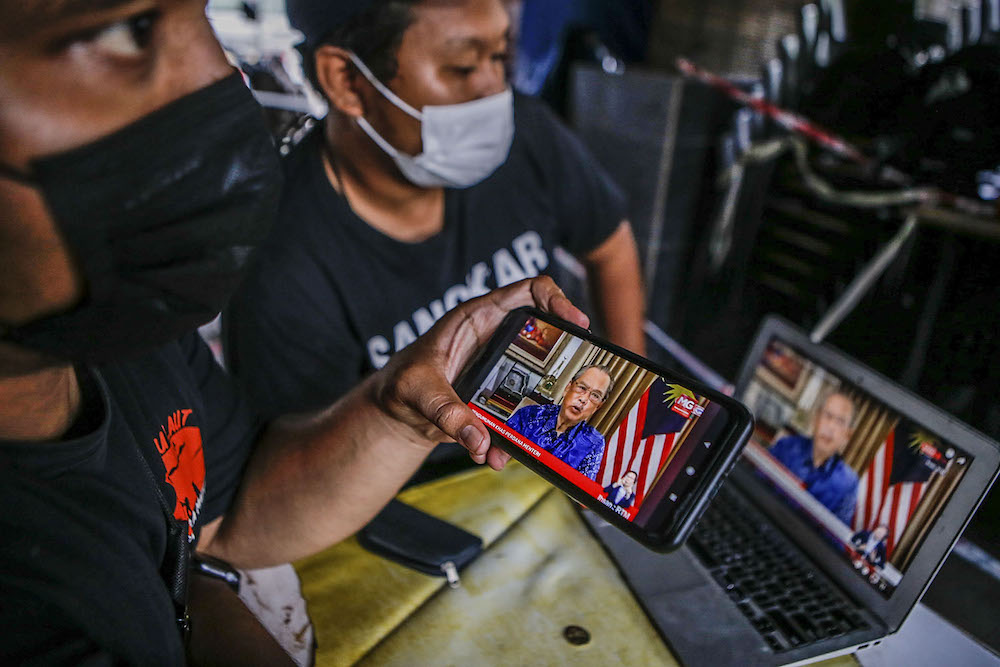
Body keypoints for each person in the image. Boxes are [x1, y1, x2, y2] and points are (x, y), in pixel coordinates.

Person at [0, 1, 587, 662]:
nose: (221, 82)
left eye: (202, 23)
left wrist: (398, 410)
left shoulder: (121, 332)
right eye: (125, 33)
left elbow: (233, 512)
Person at [224, 0, 646, 422]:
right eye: (462, 67)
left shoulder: (528, 134)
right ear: (348, 81)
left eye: (499, 56)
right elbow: (293, 466)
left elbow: (610, 247)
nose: (494, 88)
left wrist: (624, 407)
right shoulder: (280, 274)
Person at [769, 392, 860, 526]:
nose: (831, 427)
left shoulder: (849, 484)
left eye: (840, 422)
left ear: (848, 435)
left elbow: (834, 539)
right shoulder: (785, 446)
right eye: (828, 416)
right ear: (816, 419)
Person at [506, 365, 611, 479]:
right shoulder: (528, 415)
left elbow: (576, 492)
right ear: (567, 388)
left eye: (595, 395)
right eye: (582, 388)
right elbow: (500, 457)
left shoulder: (593, 443)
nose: (584, 399)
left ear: (598, 407)